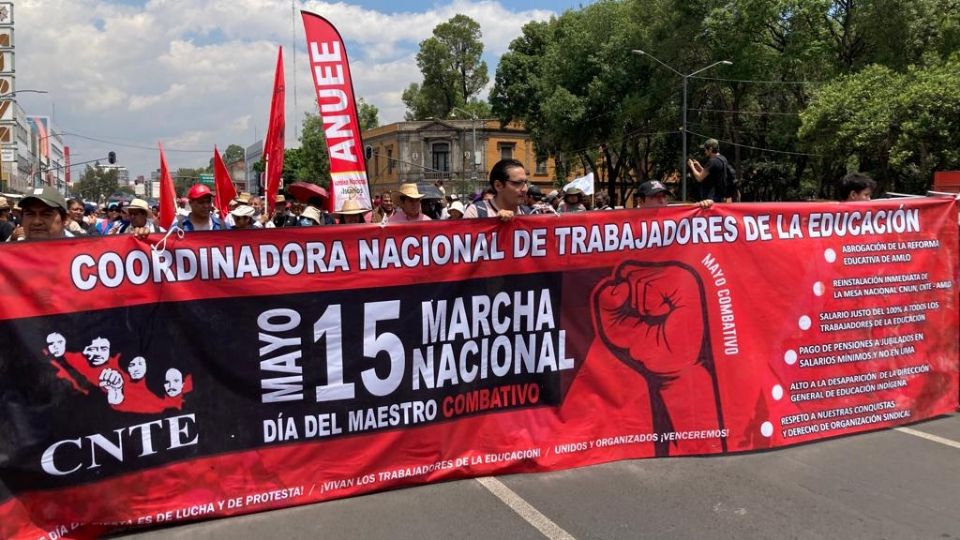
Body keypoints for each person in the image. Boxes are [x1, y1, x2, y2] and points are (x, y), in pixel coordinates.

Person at [464, 159, 532, 221]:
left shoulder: (530, 214)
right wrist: (495, 224)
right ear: (498, 186)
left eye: (526, 182)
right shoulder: (475, 213)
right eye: (517, 183)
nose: (525, 189)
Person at [688, 138, 734, 202]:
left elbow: (699, 178)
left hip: (711, 198)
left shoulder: (712, 161)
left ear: (710, 149)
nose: (705, 152)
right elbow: (711, 173)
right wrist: (699, 167)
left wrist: (692, 166)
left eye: (706, 150)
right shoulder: (723, 159)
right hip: (720, 196)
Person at [635, 180, 713, 209]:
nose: (662, 201)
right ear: (640, 200)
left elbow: (692, 207)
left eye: (664, 196)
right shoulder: (628, 221)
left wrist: (705, 204)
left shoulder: (672, 213)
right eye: (656, 196)